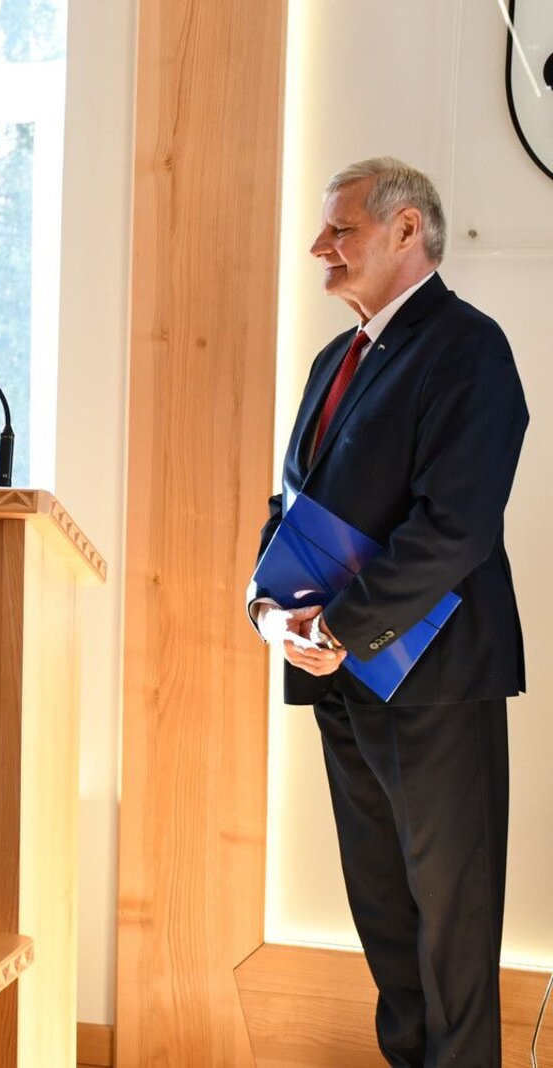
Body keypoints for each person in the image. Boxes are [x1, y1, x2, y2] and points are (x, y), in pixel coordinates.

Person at [248, 157, 527, 1066]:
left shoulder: (469, 347)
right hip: (341, 684)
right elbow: (292, 506)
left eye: (342, 228)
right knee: (384, 921)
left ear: (408, 230)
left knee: (452, 933)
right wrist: (269, 608)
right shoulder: (335, 359)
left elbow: (456, 527)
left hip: (434, 684)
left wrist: (339, 628)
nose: (319, 246)